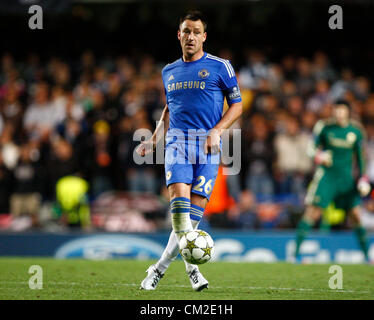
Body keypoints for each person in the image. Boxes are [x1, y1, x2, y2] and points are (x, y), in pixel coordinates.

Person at [136, 11, 242, 291]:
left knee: (190, 222)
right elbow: (170, 107)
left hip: (208, 148)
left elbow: (238, 105)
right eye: (186, 31)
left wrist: (217, 130)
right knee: (180, 213)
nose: (191, 36)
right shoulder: (168, 71)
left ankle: (157, 268)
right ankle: (194, 271)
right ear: (179, 35)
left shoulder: (221, 67)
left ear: (204, 36)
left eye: (196, 32)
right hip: (178, 145)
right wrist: (155, 138)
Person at [294, 100, 372, 263]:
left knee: (356, 216)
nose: (338, 113)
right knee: (312, 213)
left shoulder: (356, 131)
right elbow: (311, 148)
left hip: (346, 179)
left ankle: (367, 257)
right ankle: (295, 256)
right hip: (326, 177)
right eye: (336, 110)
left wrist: (363, 177)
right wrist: (318, 156)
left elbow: (360, 157)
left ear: (348, 112)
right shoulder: (324, 127)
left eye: (342, 110)